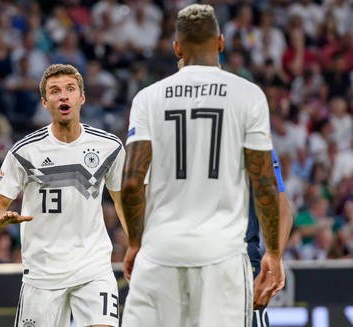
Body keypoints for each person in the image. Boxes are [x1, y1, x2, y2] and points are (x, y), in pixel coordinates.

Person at [120, 4, 282, 327]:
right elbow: (264, 183)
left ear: (177, 47)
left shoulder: (148, 98)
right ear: (220, 42)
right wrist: (274, 254)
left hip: (160, 252)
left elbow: (132, 183)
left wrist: (135, 243)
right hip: (221, 256)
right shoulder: (248, 95)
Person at [0, 63, 126, 327]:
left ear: (81, 97)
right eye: (55, 91)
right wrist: (1, 218)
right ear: (44, 102)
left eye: (70, 89)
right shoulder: (24, 152)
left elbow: (123, 204)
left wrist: (136, 245)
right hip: (42, 273)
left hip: (92, 266)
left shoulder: (109, 147)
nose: (63, 95)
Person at [249, 149, 293, 327]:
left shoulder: (167, 133)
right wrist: (274, 255)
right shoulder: (252, 136)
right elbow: (283, 214)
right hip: (240, 264)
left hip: (180, 261)